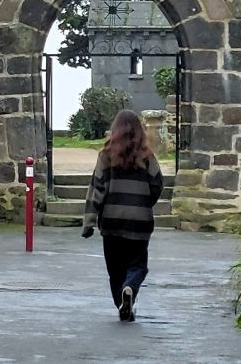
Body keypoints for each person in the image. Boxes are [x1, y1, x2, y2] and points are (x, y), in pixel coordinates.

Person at [81, 109, 164, 322]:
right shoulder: (147, 157)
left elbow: (97, 188)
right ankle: (130, 290)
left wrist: (89, 221)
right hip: (139, 223)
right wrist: (145, 203)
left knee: (115, 269)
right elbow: (157, 184)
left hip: (111, 221)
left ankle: (122, 301)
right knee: (138, 265)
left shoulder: (106, 156)